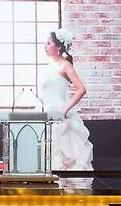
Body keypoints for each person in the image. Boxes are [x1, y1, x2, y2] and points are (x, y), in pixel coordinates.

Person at [39, 28, 94, 171]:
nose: (45, 45)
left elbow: (81, 89)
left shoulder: (65, 65)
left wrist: (64, 109)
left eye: (49, 43)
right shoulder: (48, 67)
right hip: (44, 113)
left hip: (59, 115)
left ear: (59, 46)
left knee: (63, 155)